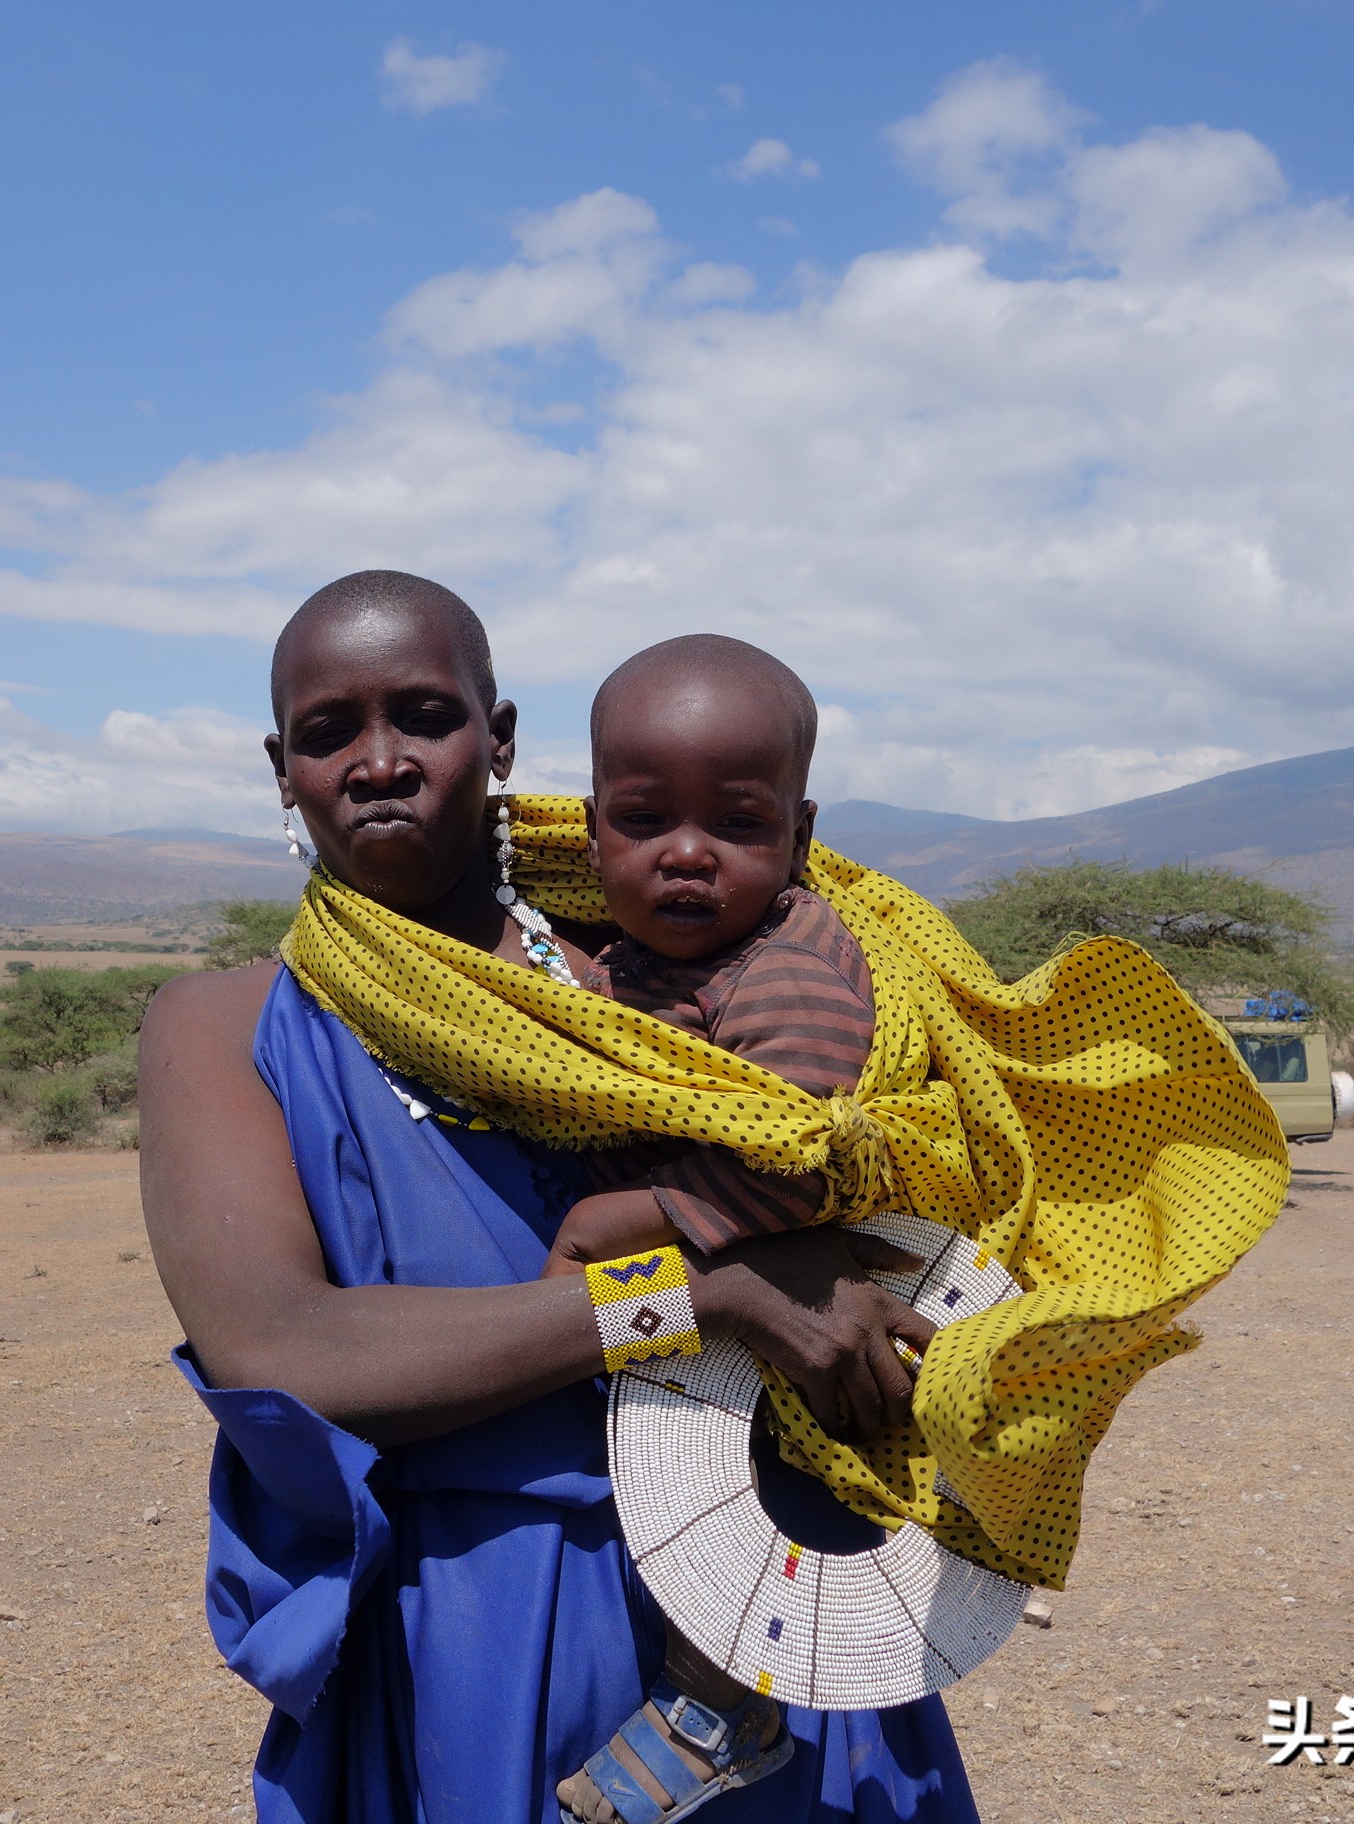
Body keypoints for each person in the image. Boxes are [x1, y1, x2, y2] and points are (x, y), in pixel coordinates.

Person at [138, 572, 976, 1823]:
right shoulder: (223, 1026)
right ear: (283, 767)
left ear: (502, 740)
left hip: (757, 1592)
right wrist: (704, 1296)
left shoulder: (655, 975)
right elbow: (284, 1348)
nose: (379, 761)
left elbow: (862, 1171)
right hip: (475, 1618)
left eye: (424, 716)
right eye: (328, 733)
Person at [539, 635, 884, 1821]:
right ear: (593, 831)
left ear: (798, 833)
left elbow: (801, 1168)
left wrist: (615, 1220)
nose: (686, 855)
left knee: (747, 1491)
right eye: (645, 821)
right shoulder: (674, 958)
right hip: (709, 1289)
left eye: (735, 825)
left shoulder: (787, 975)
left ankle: (718, 1699)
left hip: (781, 1303)